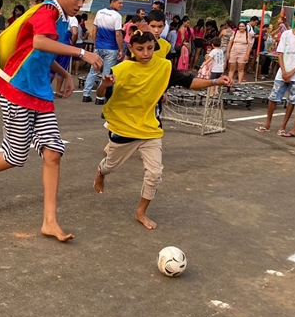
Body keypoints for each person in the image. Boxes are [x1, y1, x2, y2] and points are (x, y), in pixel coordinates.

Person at [0, 0, 104, 242]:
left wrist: (64, 74)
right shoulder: (48, 11)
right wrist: (82, 53)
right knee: (16, 157)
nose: (80, 3)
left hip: (41, 92)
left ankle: (50, 221)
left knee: (53, 152)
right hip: (18, 89)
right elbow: (40, 41)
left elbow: (38, 50)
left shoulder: (63, 19)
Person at [93, 31, 232, 230]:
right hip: (124, 129)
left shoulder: (164, 67)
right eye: (140, 49)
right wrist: (104, 85)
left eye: (150, 48)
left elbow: (189, 82)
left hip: (150, 130)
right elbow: (101, 94)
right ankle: (101, 171)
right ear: (131, 49)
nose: (146, 53)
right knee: (110, 167)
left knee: (155, 173)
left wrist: (215, 81)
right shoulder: (121, 69)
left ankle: (141, 212)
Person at [255, 9, 295, 135]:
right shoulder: (286, 34)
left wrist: (291, 72)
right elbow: (280, 53)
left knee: (291, 101)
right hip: (282, 72)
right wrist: (283, 71)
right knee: (273, 98)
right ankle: (267, 123)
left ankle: (283, 126)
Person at [82, 0, 123, 103]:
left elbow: (94, 29)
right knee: (106, 73)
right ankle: (99, 98)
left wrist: (95, 44)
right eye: (119, 3)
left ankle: (86, 94)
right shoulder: (117, 16)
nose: (121, 5)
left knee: (93, 70)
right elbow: (118, 34)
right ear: (113, 2)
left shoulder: (100, 12)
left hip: (99, 47)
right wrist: (121, 49)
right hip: (111, 48)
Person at [54, 13, 81, 97]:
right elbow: (75, 33)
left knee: (52, 67)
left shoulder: (58, 15)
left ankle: (46, 88)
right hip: (65, 43)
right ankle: (58, 90)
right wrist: (73, 44)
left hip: (55, 42)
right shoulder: (73, 19)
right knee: (62, 67)